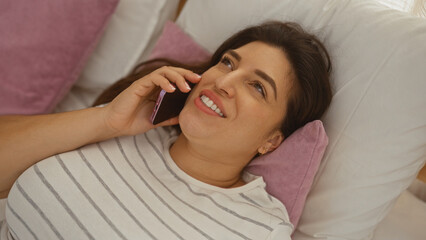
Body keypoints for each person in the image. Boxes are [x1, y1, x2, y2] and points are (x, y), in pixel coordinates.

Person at [0, 21, 332, 239]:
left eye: (258, 87)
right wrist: (106, 121)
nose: (224, 82)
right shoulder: (129, 122)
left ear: (271, 141)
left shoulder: (260, 227)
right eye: (228, 63)